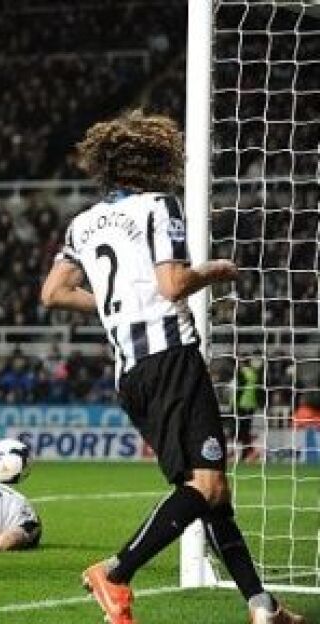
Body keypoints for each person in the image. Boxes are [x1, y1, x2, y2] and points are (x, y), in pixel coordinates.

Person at [40, 111, 303, 624]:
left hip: (131, 374)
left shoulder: (82, 223)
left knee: (212, 494)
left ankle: (262, 606)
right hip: (171, 359)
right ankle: (116, 572)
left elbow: (53, 293)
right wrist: (215, 270)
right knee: (205, 488)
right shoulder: (161, 206)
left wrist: (116, 306)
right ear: (155, 159)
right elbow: (173, 284)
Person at [232, 356, 264, 461]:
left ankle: (243, 452)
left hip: (241, 405)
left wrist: (234, 404)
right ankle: (246, 451)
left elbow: (238, 390)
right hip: (251, 405)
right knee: (245, 430)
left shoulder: (242, 372)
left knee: (240, 430)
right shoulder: (253, 372)